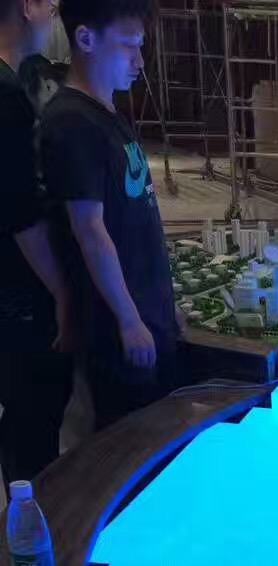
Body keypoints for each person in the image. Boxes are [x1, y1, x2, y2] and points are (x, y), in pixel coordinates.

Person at [39, 0, 182, 431]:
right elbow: (90, 230)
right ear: (86, 38)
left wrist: (161, 307)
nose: (140, 61)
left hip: (147, 314)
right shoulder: (70, 122)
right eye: (128, 46)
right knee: (131, 446)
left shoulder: (106, 115)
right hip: (117, 332)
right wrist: (129, 319)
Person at [0, 0, 74, 488]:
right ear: (27, 7)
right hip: (22, 295)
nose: (55, 15)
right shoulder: (7, 98)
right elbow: (22, 217)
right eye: (51, 4)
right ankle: (35, 523)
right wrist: (64, 294)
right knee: (34, 420)